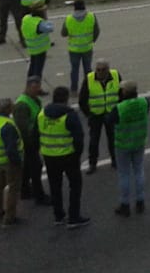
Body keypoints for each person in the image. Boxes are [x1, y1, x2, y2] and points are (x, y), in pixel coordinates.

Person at [38, 85, 88, 228]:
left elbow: (37, 133)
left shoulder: (42, 114)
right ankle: (74, 217)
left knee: (55, 186)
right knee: (75, 186)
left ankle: (58, 215)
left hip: (49, 156)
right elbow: (79, 138)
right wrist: (77, 155)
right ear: (66, 99)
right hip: (68, 156)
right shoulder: (69, 115)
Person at [109, 80, 148, 216]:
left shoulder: (119, 108)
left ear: (124, 92)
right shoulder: (144, 102)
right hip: (139, 141)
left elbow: (109, 120)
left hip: (123, 144)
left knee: (124, 174)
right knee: (139, 171)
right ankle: (140, 201)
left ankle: (125, 204)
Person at [78, 59, 120, 174]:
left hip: (111, 113)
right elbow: (82, 99)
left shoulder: (116, 75)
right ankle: (92, 163)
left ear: (108, 69)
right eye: (98, 70)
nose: (100, 72)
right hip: (96, 115)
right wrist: (89, 114)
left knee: (113, 138)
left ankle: (115, 160)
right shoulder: (89, 78)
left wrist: (118, 111)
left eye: (103, 70)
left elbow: (121, 93)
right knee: (94, 141)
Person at [14, 76, 50, 205]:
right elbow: (22, 128)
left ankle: (25, 190)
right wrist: (31, 143)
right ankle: (39, 196)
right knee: (36, 167)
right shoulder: (22, 105)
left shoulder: (33, 100)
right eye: (35, 87)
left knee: (28, 167)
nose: (38, 90)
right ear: (28, 87)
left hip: (34, 139)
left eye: (39, 87)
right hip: (29, 143)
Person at [0, 96, 24, 226]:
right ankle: (10, 217)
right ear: (8, 109)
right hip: (10, 162)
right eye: (11, 105)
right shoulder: (8, 126)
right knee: (13, 188)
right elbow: (11, 149)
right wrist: (18, 162)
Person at [61, 0, 100, 94]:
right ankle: (88, 88)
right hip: (87, 48)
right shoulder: (91, 16)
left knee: (74, 70)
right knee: (88, 69)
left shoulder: (69, 18)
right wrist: (92, 40)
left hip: (74, 49)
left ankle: (74, 89)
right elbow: (97, 31)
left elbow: (63, 33)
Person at [20, 6, 53, 79]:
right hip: (40, 49)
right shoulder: (40, 23)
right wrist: (45, 18)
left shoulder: (26, 18)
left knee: (32, 67)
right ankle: (36, 86)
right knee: (38, 70)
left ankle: (29, 83)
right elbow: (50, 28)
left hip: (31, 47)